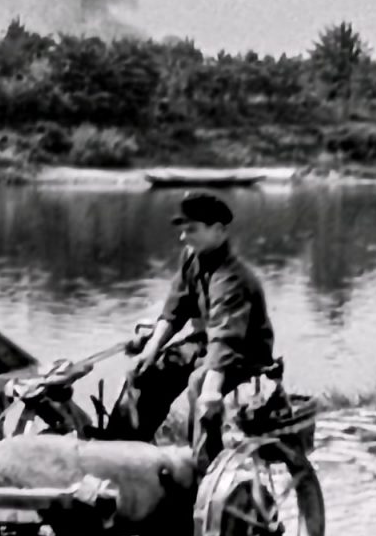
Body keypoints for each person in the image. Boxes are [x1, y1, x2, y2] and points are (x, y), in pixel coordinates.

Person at [114, 191, 278, 469]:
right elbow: (174, 310)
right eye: (182, 230)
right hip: (205, 340)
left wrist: (212, 390)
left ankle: (204, 468)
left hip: (244, 350)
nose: (183, 237)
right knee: (144, 374)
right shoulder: (193, 258)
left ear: (217, 230)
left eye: (192, 230)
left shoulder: (232, 278)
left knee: (200, 386)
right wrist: (151, 349)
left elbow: (226, 341)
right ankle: (122, 454)